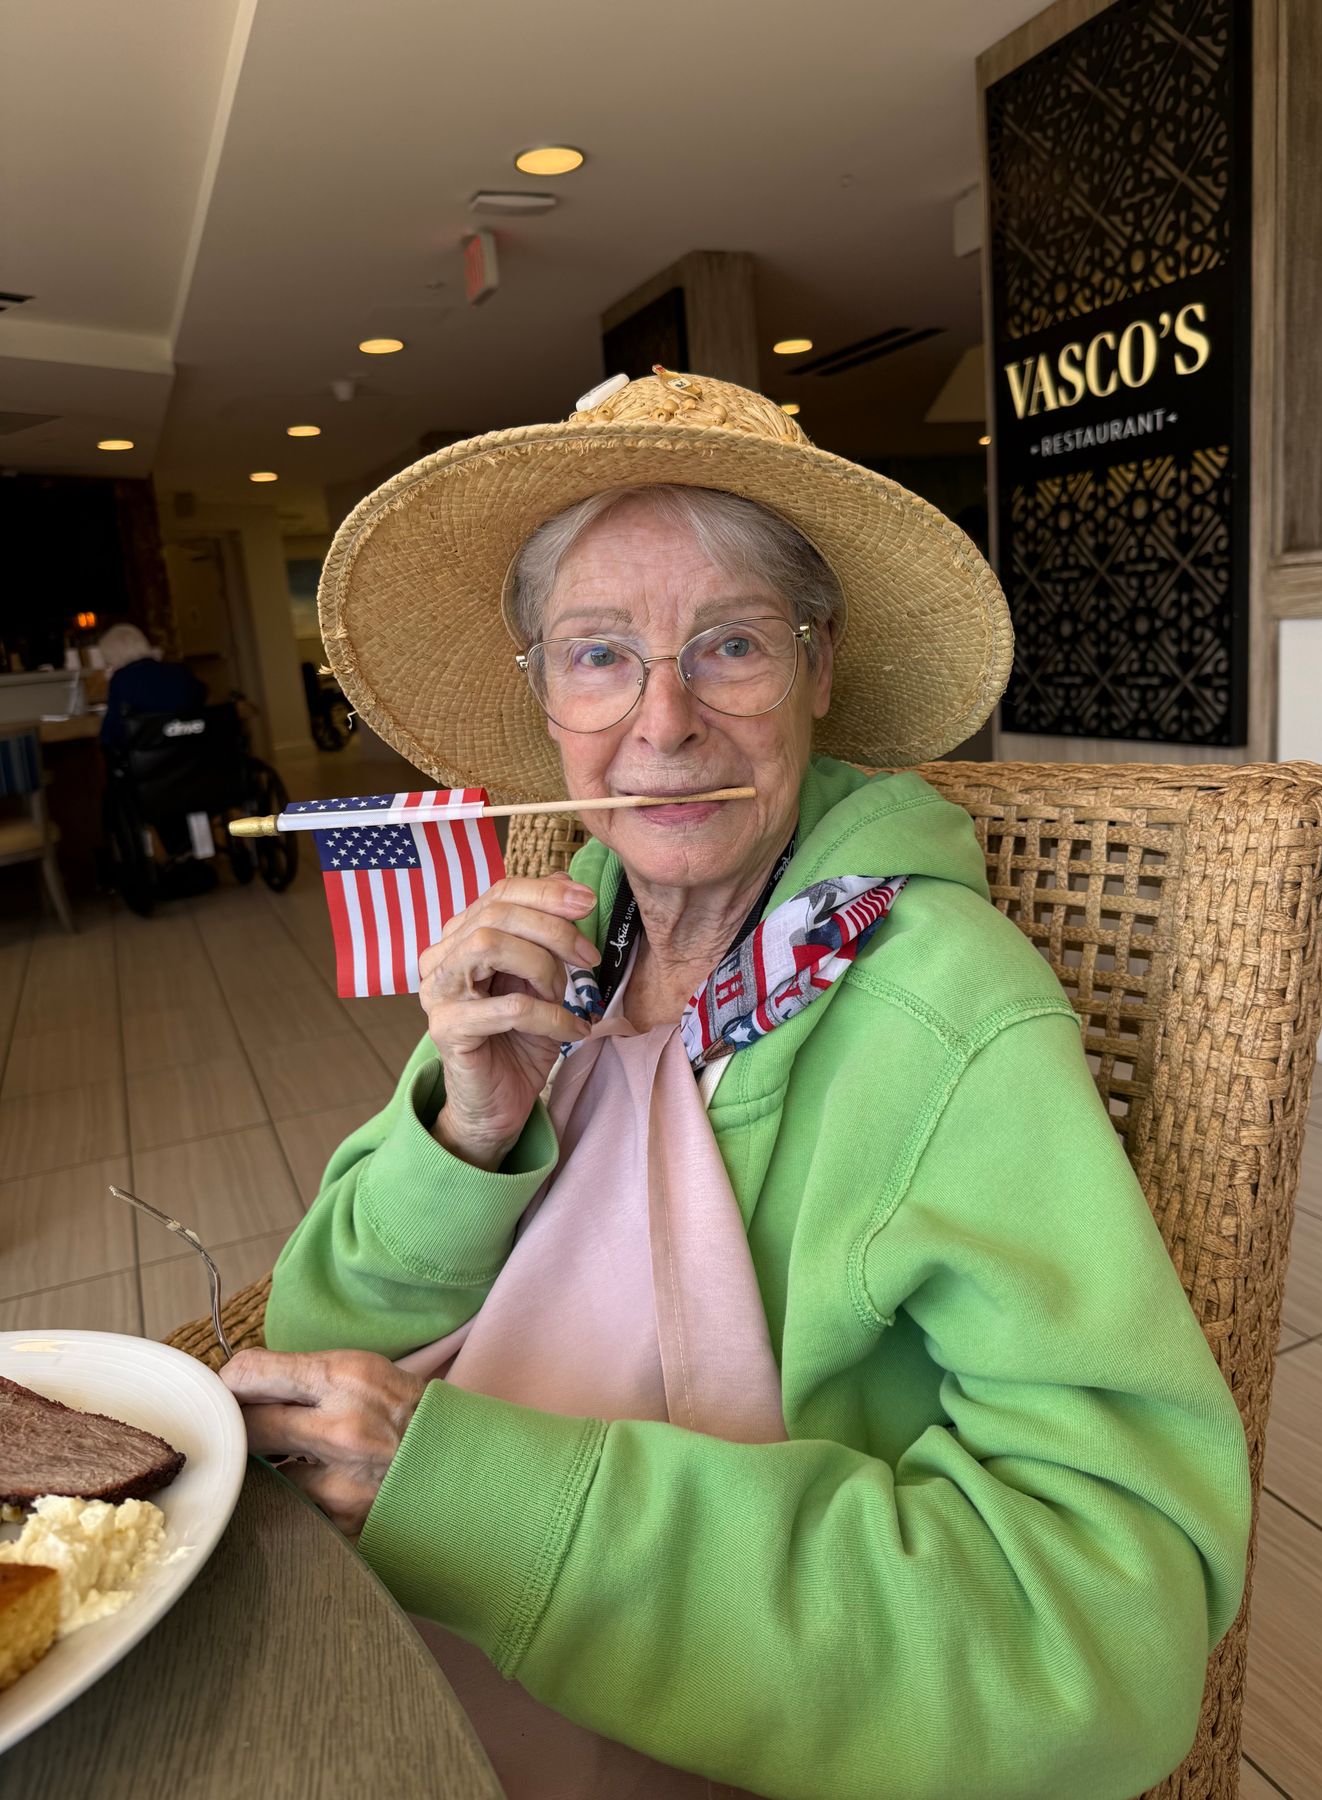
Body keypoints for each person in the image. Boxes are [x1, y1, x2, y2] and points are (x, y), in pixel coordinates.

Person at [221, 370, 1250, 1800]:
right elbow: (321, 1335)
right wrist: (465, 1131)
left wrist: (473, 1502)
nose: (663, 724)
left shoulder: (942, 1009)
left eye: (730, 646)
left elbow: (1107, 1638)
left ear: (818, 672)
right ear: (542, 692)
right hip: (393, 1663)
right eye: (596, 655)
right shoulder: (559, 929)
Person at [97, 623, 204, 747]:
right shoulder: (179, 671)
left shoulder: (122, 679)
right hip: (189, 752)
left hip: (145, 759)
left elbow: (110, 734)